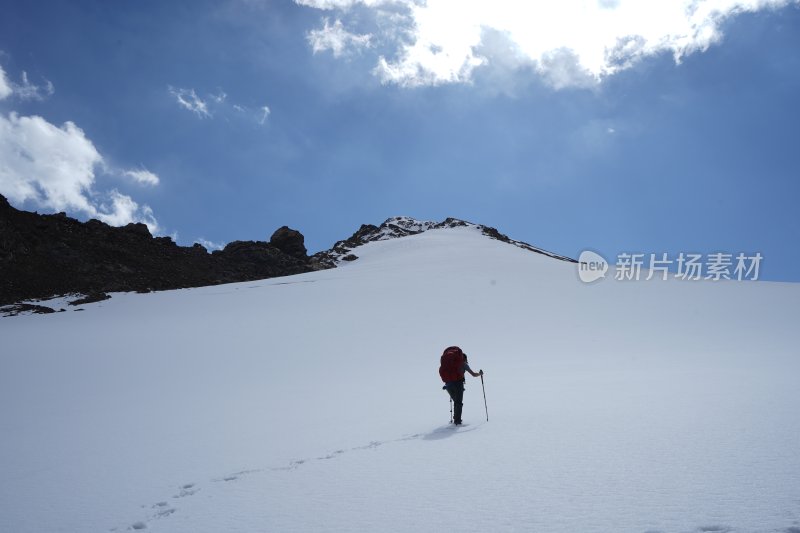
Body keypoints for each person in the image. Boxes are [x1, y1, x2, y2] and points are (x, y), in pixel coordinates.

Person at [443, 353, 483, 425]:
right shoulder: (463, 364)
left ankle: (455, 419)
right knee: (458, 402)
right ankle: (457, 422)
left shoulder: (449, 364)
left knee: (456, 401)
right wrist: (480, 374)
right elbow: (473, 374)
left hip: (448, 385)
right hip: (458, 385)